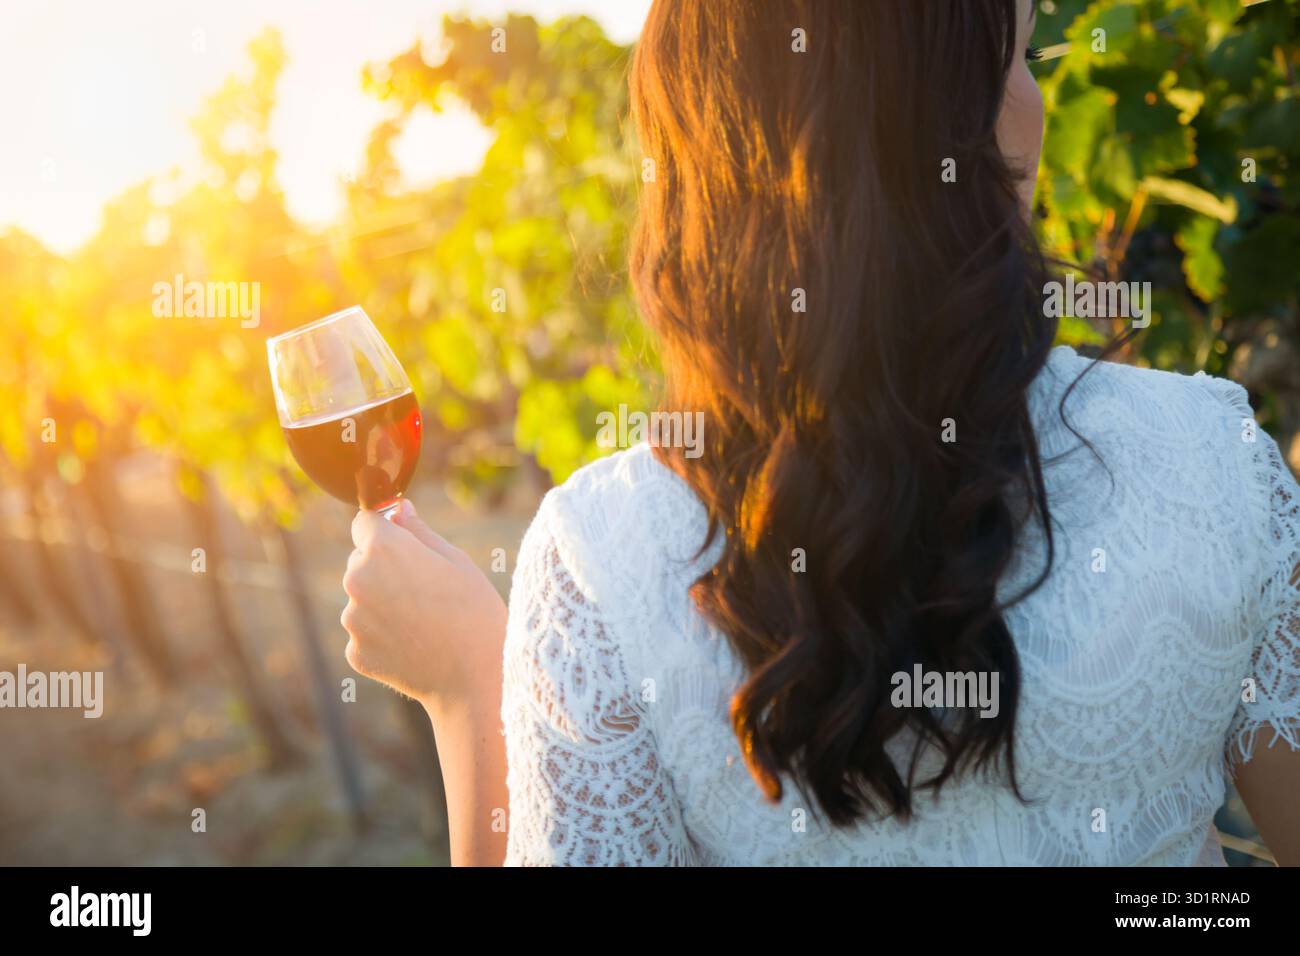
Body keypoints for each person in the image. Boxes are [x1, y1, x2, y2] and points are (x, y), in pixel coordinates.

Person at [338, 0, 1300, 866]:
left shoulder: (604, 559)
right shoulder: (1212, 460)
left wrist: (471, 683)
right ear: (962, 119)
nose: (1036, 103)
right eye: (1023, 56)